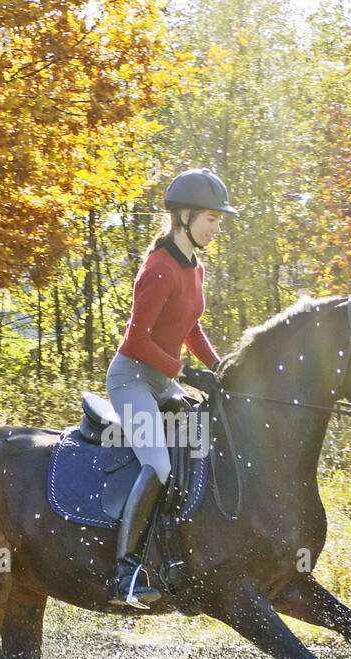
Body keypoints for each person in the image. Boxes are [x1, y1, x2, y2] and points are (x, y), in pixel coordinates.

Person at [106, 167, 237, 607]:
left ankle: (176, 557)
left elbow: (191, 327)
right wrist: (181, 372)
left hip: (162, 379)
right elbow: (136, 340)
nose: (218, 228)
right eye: (212, 219)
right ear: (183, 217)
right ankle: (124, 573)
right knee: (160, 466)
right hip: (132, 380)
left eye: (219, 221)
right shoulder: (159, 268)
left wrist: (219, 369)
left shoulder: (195, 267)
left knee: (202, 442)